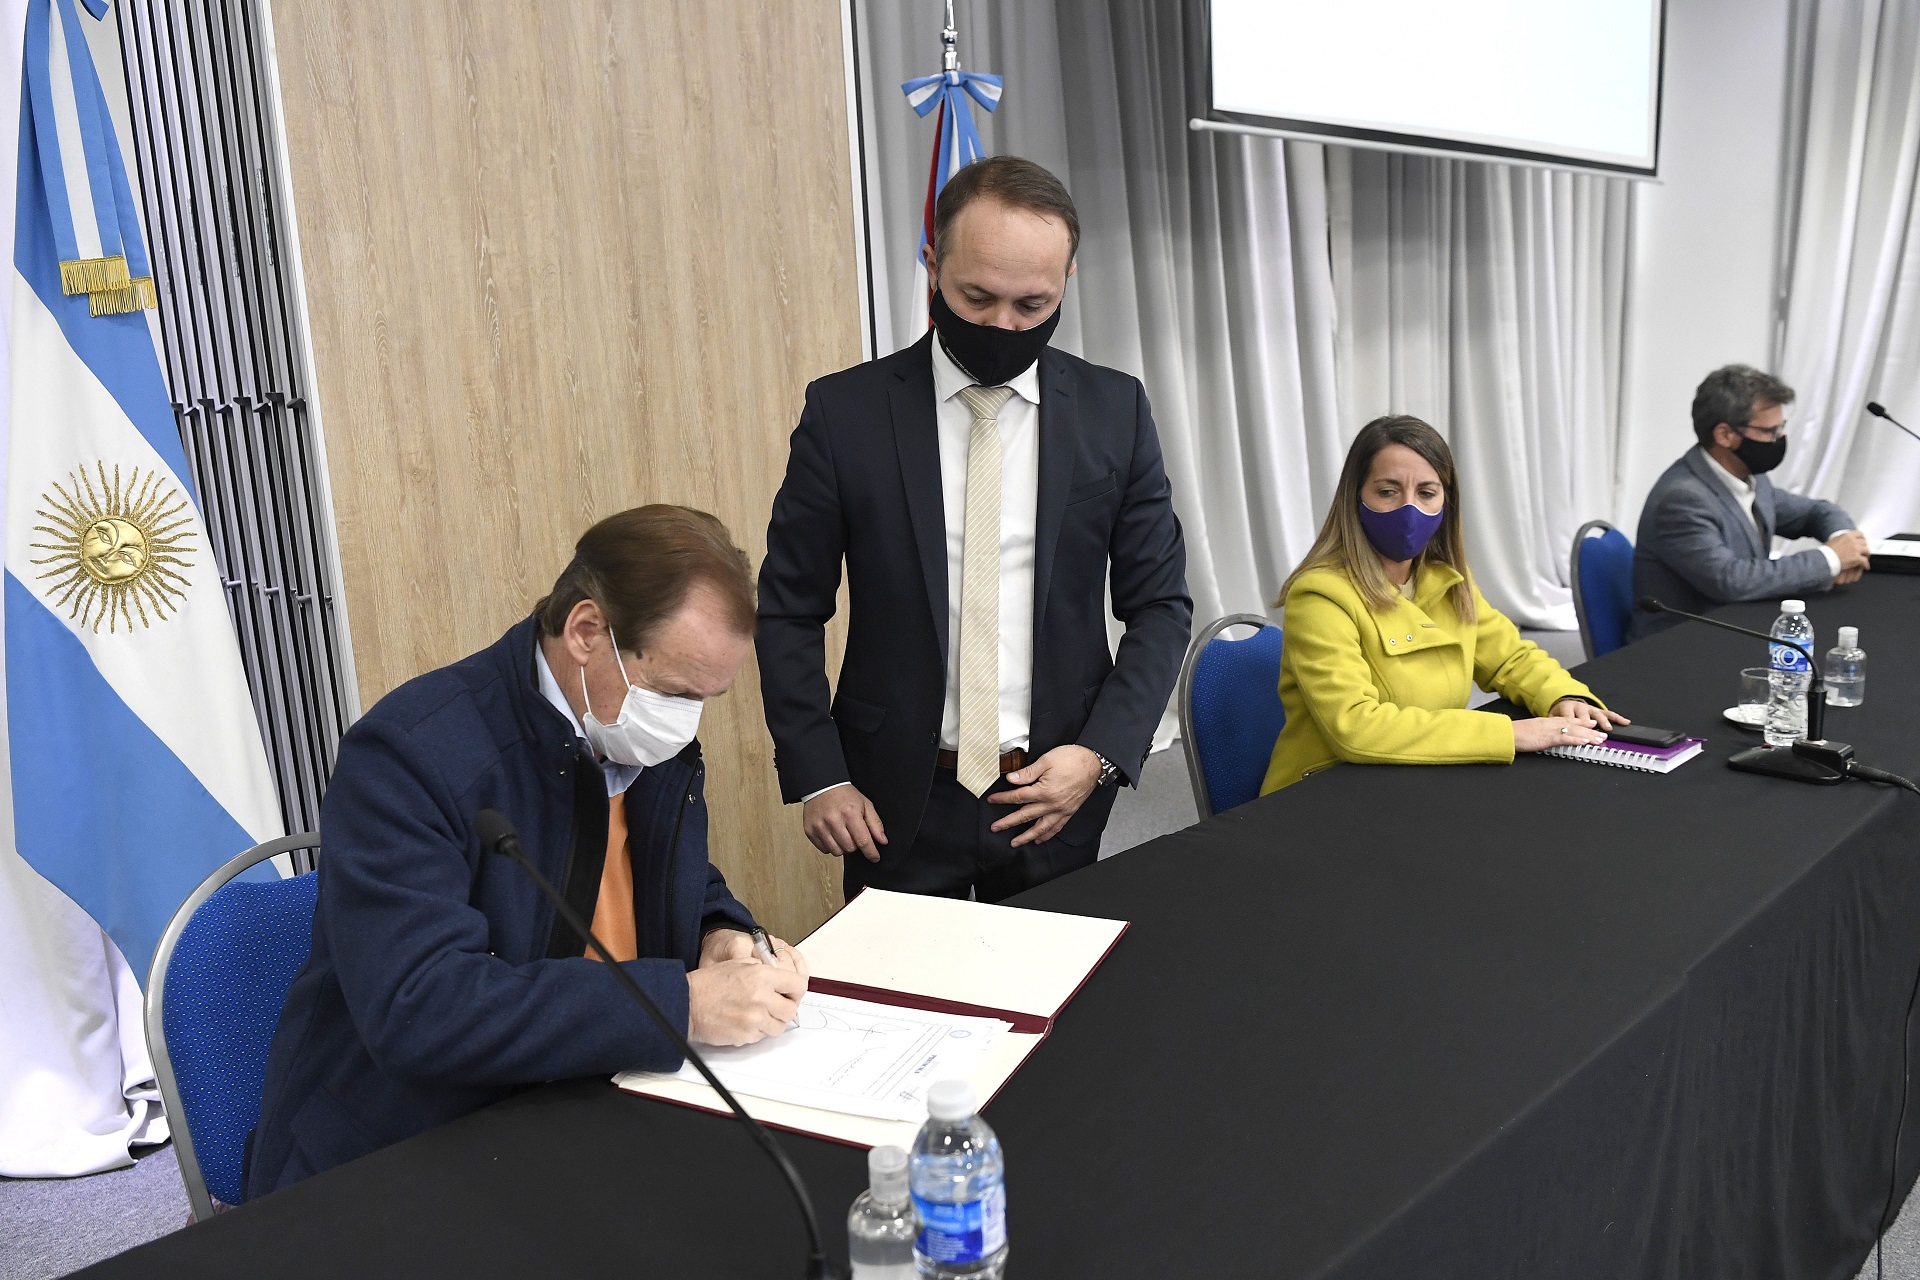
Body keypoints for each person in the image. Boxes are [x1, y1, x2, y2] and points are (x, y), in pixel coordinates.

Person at [248, 506, 807, 1196]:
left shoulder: (637, 734)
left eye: (705, 699)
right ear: (586, 632)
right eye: (674, 692)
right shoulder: (408, 755)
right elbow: (422, 1007)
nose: (684, 720)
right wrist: (681, 1006)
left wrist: (718, 931)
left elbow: (662, 870)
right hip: (415, 1148)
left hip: (599, 1099)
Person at [757, 156, 1191, 902]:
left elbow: (1160, 606)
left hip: (1055, 794)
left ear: (1067, 281)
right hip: (893, 798)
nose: (1002, 325)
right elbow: (789, 608)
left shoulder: (1114, 411)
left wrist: (1099, 755)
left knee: (1056, 980)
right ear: (933, 266)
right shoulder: (845, 413)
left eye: (1033, 304)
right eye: (978, 296)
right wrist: (818, 773)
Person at [1261, 416, 1626, 794]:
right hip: (1326, 790)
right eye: (1387, 491)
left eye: (1426, 492)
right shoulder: (1320, 597)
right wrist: (1510, 733)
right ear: (1355, 497)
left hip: (1414, 776)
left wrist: (1562, 695)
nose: (1408, 508)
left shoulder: (1448, 580)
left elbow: (1510, 658)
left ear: (1445, 502)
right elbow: (1356, 727)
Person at [1627, 364, 1868, 642]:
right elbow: (1731, 580)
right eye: (1770, 431)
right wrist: (1830, 559)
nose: (1780, 439)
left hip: (1737, 624)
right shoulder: (1682, 499)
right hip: (1680, 643)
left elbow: (1815, 512)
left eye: (1781, 428)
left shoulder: (1748, 475)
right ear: (1725, 435)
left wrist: (1843, 540)